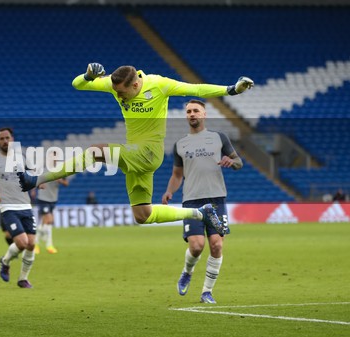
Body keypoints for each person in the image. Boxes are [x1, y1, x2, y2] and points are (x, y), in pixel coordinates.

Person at [19, 63, 253, 232]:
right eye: (116, 92)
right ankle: (201, 213)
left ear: (136, 84)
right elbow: (77, 85)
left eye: (122, 93)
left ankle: (36, 180)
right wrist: (88, 75)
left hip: (149, 152)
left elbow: (197, 89)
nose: (119, 97)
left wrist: (231, 89)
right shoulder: (115, 85)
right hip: (135, 157)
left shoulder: (159, 85)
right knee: (143, 214)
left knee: (95, 152)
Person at [162, 99, 243, 304]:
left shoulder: (219, 138)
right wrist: (170, 191)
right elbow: (177, 175)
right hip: (192, 201)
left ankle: (207, 292)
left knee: (216, 245)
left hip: (216, 199)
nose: (192, 114)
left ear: (204, 114)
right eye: (188, 111)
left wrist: (231, 161)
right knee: (197, 246)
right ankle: (187, 272)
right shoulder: (180, 144)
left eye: (196, 110)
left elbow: (239, 162)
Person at [0, 127, 36, 289]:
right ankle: (5, 261)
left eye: (7, 138)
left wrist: (38, 184)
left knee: (31, 244)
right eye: (2, 139)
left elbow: (33, 177)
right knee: (22, 243)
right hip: (8, 207)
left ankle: (23, 278)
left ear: (12, 139)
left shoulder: (22, 158)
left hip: (26, 205)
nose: (5, 141)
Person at [35, 177, 69, 254]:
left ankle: (40, 243)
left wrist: (60, 181)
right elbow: (34, 180)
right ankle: (47, 244)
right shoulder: (43, 168)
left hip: (53, 199)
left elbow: (66, 183)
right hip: (43, 198)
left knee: (46, 223)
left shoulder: (60, 170)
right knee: (49, 219)